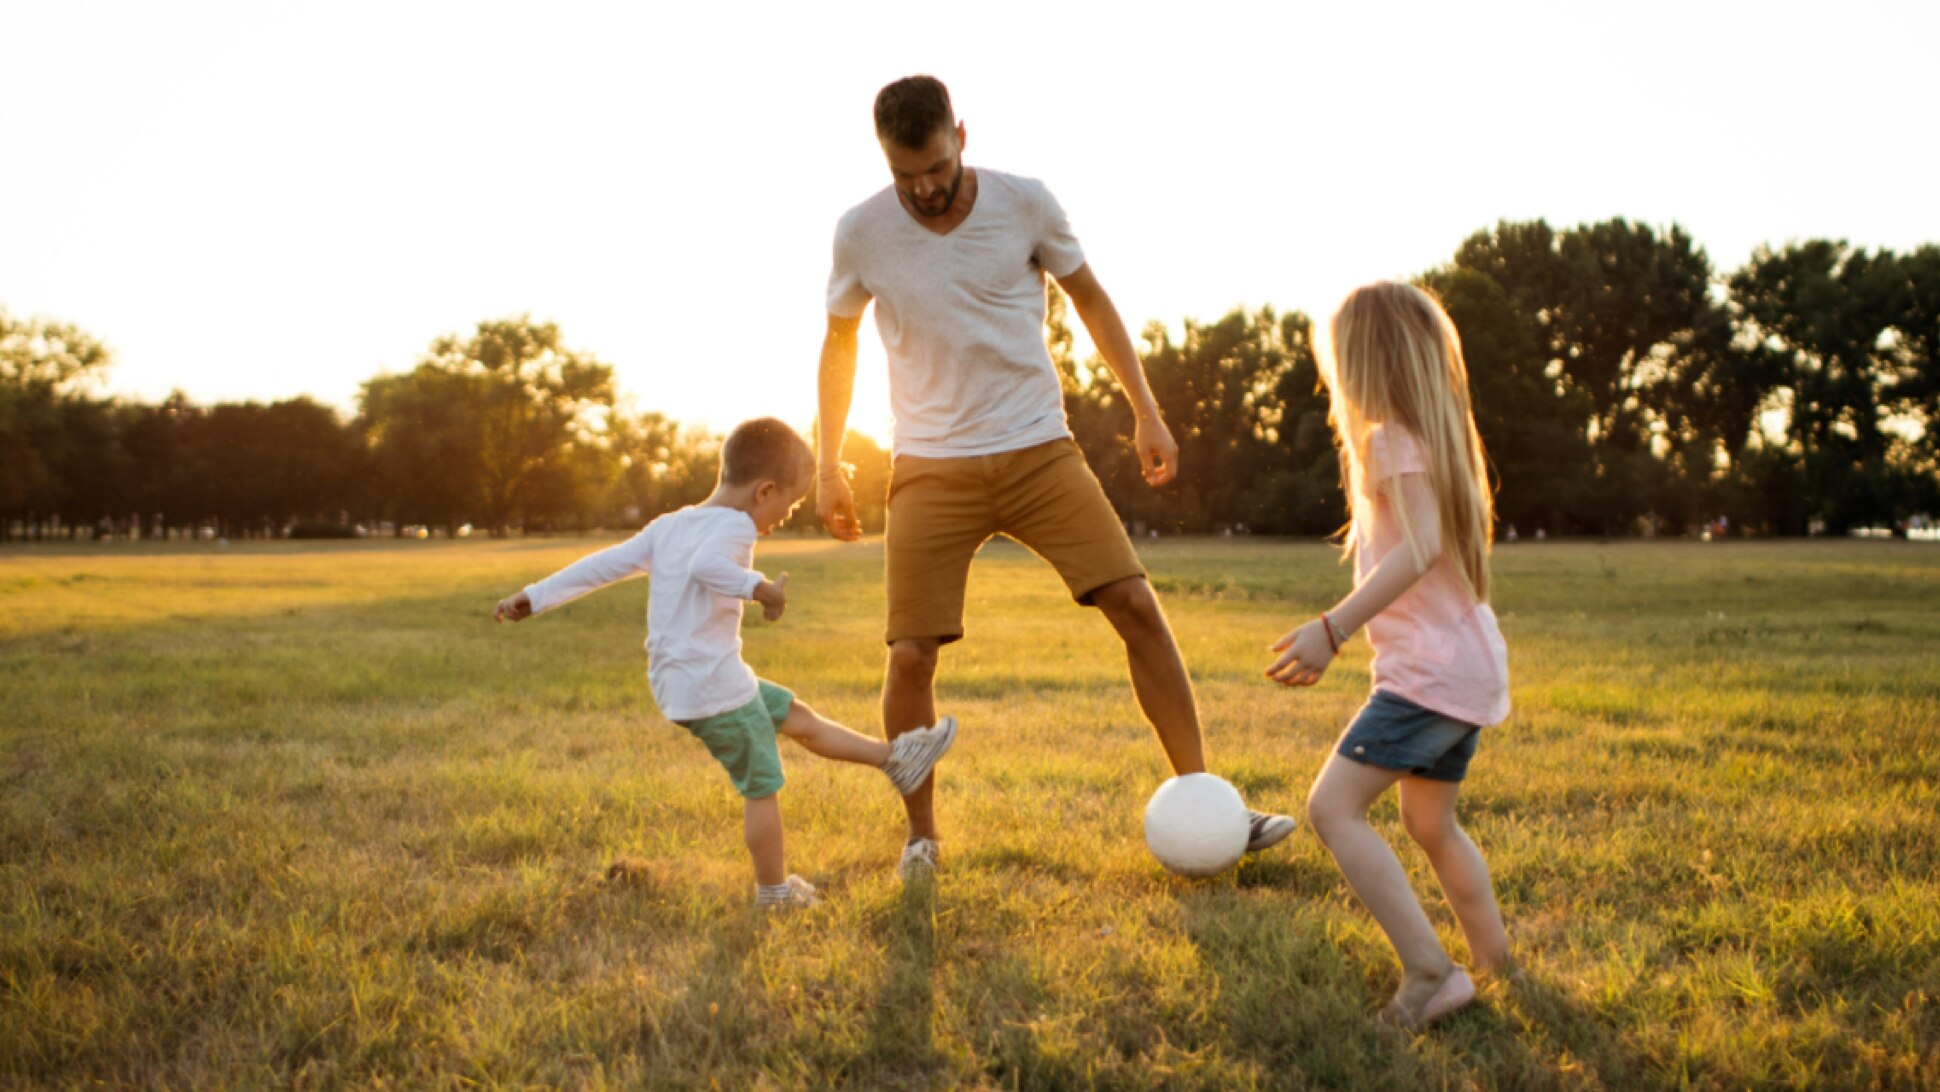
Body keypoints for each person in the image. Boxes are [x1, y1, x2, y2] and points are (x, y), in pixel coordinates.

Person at [815, 75, 1294, 879]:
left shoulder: (1026, 203)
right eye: (908, 177)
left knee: (1136, 605)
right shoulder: (861, 232)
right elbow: (838, 343)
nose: (926, 189)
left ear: (961, 133)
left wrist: (1145, 408)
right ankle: (921, 837)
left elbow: (1092, 301)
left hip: (1039, 447)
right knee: (909, 657)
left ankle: (1209, 801)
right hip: (930, 465)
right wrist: (827, 461)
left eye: (935, 167)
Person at [493, 418, 959, 910]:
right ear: (765, 491)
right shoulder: (735, 525)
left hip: (688, 682)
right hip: (712, 686)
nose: (786, 514)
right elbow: (707, 568)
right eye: (791, 503)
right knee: (762, 784)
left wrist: (535, 596)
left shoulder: (669, 525)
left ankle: (895, 760)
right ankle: (774, 893)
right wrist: (758, 587)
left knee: (793, 714)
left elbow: (604, 565)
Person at [1265, 282, 1512, 1028]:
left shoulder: (1390, 442)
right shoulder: (1433, 441)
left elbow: (1418, 551)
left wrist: (1332, 630)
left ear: (1363, 365)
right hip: (1464, 669)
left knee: (1332, 809)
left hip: (1429, 679)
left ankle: (1431, 974)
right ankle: (1498, 965)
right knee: (1431, 825)